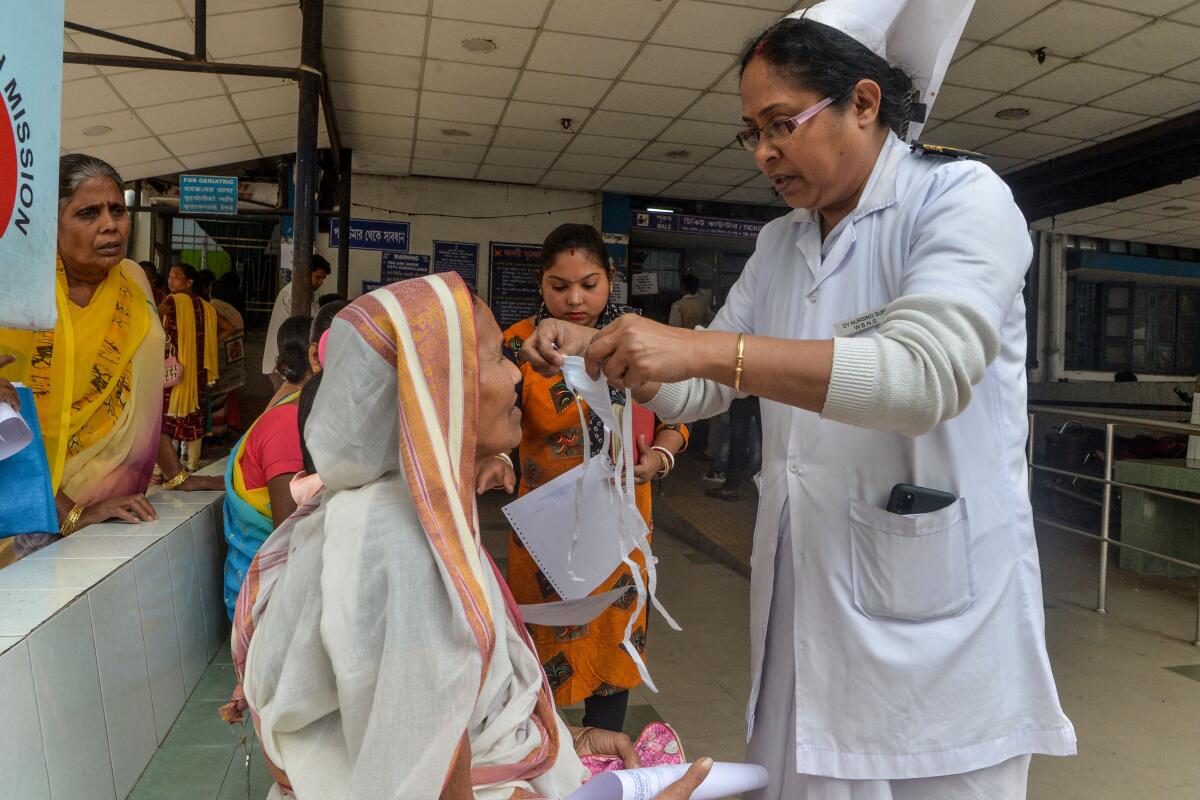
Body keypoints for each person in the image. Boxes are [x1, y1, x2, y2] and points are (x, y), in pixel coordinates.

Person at [518, 1, 1077, 797]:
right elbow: (706, 382)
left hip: (937, 638)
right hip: (803, 609)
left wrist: (703, 348)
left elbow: (923, 376)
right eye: (752, 132)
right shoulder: (783, 240)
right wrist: (617, 359)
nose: (764, 153)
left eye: (781, 124)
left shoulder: (960, 199)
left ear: (863, 102)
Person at [231, 273, 709, 799]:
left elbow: (434, 731)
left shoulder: (392, 515)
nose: (517, 376)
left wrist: (563, 738)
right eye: (495, 357)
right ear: (435, 386)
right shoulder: (403, 551)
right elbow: (421, 782)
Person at [479, 223, 688, 733]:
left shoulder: (642, 341)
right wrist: (500, 460)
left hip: (621, 528)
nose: (574, 299)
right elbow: (493, 426)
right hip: (545, 531)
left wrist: (662, 455)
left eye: (589, 284)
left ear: (610, 278)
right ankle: (540, 757)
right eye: (559, 285)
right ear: (540, 282)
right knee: (538, 650)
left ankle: (603, 761)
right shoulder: (517, 346)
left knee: (615, 645)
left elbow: (680, 415)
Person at [0, 155, 202, 565]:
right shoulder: (16, 292)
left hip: (113, 512)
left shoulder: (133, 281)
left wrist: (178, 476)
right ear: (50, 223)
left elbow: (144, 399)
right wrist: (72, 513)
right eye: (88, 213)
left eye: (117, 210)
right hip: (25, 511)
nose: (110, 225)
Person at [222, 311, 319, 618]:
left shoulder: (297, 407)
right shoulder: (288, 422)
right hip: (267, 600)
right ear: (318, 356)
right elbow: (289, 534)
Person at [159, 263, 220, 471]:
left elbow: (154, 317)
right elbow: (229, 328)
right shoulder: (207, 307)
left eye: (176, 277)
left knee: (166, 416)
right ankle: (193, 464)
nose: (170, 280)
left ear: (189, 282)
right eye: (170, 276)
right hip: (198, 370)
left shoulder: (173, 301)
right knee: (194, 414)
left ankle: (161, 470)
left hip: (173, 368)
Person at [262, 254, 330, 389]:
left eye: (323, 278)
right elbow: (304, 328)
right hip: (285, 361)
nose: (320, 282)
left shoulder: (303, 293)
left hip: (289, 360)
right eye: (318, 277)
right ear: (306, 273)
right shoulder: (294, 293)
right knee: (287, 402)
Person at [207, 270, 247, 438]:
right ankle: (223, 429)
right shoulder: (233, 309)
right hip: (234, 362)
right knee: (224, 399)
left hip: (219, 360)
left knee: (214, 399)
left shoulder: (213, 306)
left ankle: (215, 432)